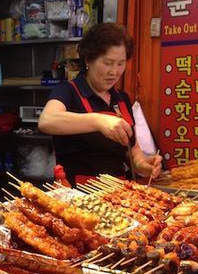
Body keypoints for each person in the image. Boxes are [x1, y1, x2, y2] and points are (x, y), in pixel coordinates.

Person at [38, 22, 162, 187]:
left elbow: (131, 147)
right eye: (108, 63)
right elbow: (47, 120)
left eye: (120, 63)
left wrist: (141, 164)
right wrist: (99, 121)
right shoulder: (68, 91)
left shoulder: (121, 98)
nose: (114, 71)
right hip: (76, 194)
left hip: (118, 192)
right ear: (89, 59)